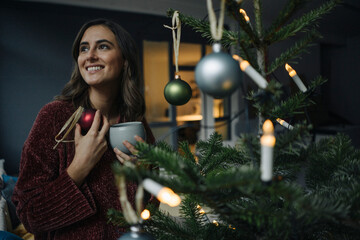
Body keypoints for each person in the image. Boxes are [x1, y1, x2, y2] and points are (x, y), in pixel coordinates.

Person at [12, 18, 157, 239]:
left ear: (125, 60)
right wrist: (79, 167)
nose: (90, 56)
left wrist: (144, 176)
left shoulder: (135, 122)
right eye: (84, 48)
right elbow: (30, 216)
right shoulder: (54, 117)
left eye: (103, 46)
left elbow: (154, 206)